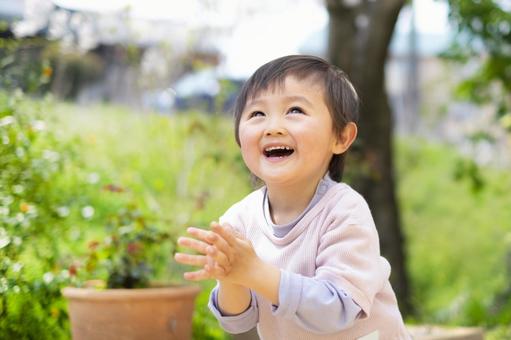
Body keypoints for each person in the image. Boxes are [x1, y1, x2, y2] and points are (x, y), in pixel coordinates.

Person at [174, 55, 410, 339]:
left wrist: (255, 271)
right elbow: (238, 323)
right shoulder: (239, 220)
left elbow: (337, 309)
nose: (273, 127)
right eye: (257, 114)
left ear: (341, 138)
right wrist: (231, 277)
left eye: (295, 110)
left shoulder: (344, 210)